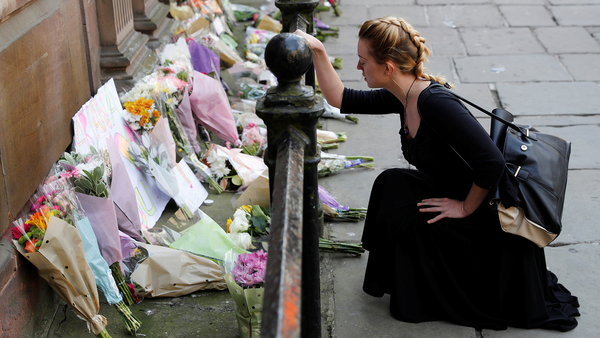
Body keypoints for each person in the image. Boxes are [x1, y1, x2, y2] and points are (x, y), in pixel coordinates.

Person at [295, 16, 580, 331]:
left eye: (363, 62)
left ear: (388, 67)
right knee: (392, 184)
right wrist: (318, 51)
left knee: (409, 209)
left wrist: (464, 207)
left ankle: (427, 290)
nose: (359, 67)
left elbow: (491, 163)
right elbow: (340, 98)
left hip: (485, 212)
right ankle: (403, 278)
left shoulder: (434, 102)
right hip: (454, 186)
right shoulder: (402, 95)